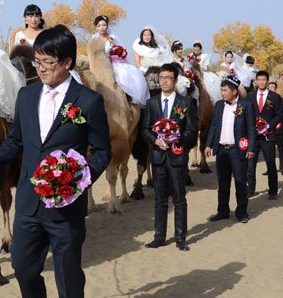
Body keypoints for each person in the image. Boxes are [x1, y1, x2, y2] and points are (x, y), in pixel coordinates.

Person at [0, 25, 111, 298]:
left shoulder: (89, 101)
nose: (41, 68)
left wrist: (79, 180)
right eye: (38, 61)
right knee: (22, 264)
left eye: (48, 62)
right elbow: (16, 142)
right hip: (30, 201)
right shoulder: (27, 96)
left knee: (67, 273)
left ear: (67, 62)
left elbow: (102, 151)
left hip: (66, 205)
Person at [142, 64, 198, 251]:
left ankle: (180, 237)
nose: (164, 81)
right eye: (162, 78)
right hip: (158, 158)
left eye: (168, 78)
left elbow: (192, 131)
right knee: (160, 199)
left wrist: (177, 138)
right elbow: (145, 129)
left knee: (179, 199)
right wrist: (155, 141)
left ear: (175, 80)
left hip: (177, 158)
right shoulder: (152, 103)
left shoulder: (185, 103)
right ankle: (159, 237)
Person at [204, 75, 256, 223]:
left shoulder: (246, 105)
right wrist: (208, 145)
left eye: (225, 90)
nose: (222, 93)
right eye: (221, 90)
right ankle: (222, 211)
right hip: (221, 150)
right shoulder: (219, 105)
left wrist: (251, 148)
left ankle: (242, 212)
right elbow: (214, 126)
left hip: (237, 150)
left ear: (234, 91)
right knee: (223, 183)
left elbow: (251, 129)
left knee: (240, 182)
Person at [14, 4, 82, 84]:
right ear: (25, 18)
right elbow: (17, 56)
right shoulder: (20, 35)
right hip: (27, 70)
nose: (33, 19)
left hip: (48, 66)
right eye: (30, 16)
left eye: (36, 16)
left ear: (40, 18)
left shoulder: (46, 33)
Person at [91, 15, 149, 106]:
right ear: (96, 27)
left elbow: (120, 49)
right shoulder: (94, 39)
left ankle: (127, 98)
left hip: (114, 62)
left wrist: (118, 55)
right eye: (99, 26)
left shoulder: (112, 37)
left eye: (104, 25)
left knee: (124, 75)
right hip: (99, 63)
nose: (101, 28)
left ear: (107, 26)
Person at [246, 71, 283, 199]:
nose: (261, 82)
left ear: (267, 81)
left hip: (268, 136)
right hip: (253, 136)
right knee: (250, 165)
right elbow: (245, 113)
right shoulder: (250, 96)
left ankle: (273, 191)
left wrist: (268, 126)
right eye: (259, 80)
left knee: (270, 163)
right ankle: (250, 189)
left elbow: (279, 115)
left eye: (264, 80)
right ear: (256, 81)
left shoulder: (274, 97)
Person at [267, 81, 283, 175]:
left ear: (276, 88)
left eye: (273, 87)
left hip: (279, 128)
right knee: (269, 151)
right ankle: (270, 169)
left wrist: (280, 121)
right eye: (270, 87)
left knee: (281, 149)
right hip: (268, 129)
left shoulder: (281, 100)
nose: (271, 88)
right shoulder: (265, 100)